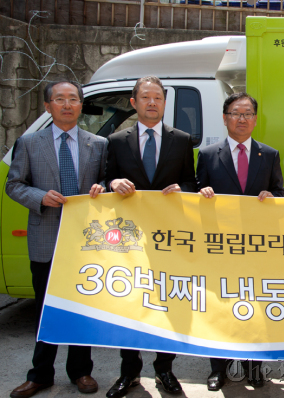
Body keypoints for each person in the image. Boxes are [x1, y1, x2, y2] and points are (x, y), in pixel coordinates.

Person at [6, 80, 106, 398]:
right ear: (48, 106)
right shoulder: (29, 142)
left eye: (73, 99)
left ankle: (81, 372)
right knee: (45, 309)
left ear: (80, 105)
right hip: (46, 236)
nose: (67, 104)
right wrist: (39, 196)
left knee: (81, 308)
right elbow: (14, 184)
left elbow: (107, 179)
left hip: (84, 241)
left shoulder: (98, 144)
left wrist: (102, 188)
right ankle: (40, 375)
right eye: (59, 99)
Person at [104, 76, 197, 397]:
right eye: (146, 97)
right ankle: (129, 372)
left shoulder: (182, 140)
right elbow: (104, 182)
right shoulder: (116, 141)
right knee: (130, 304)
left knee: (166, 303)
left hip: (167, 238)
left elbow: (191, 183)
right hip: (128, 240)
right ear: (134, 102)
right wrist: (113, 184)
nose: (152, 102)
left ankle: (164, 368)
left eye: (158, 97)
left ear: (164, 102)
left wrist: (181, 190)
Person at [196, 92, 284, 390]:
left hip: (257, 247)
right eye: (236, 113)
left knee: (254, 305)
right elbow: (195, 193)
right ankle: (218, 368)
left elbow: (281, 194)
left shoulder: (269, 154)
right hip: (219, 245)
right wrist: (202, 193)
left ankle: (254, 366)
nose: (242, 118)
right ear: (225, 118)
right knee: (219, 306)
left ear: (256, 120)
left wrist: (272, 198)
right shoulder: (208, 155)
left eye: (248, 113)